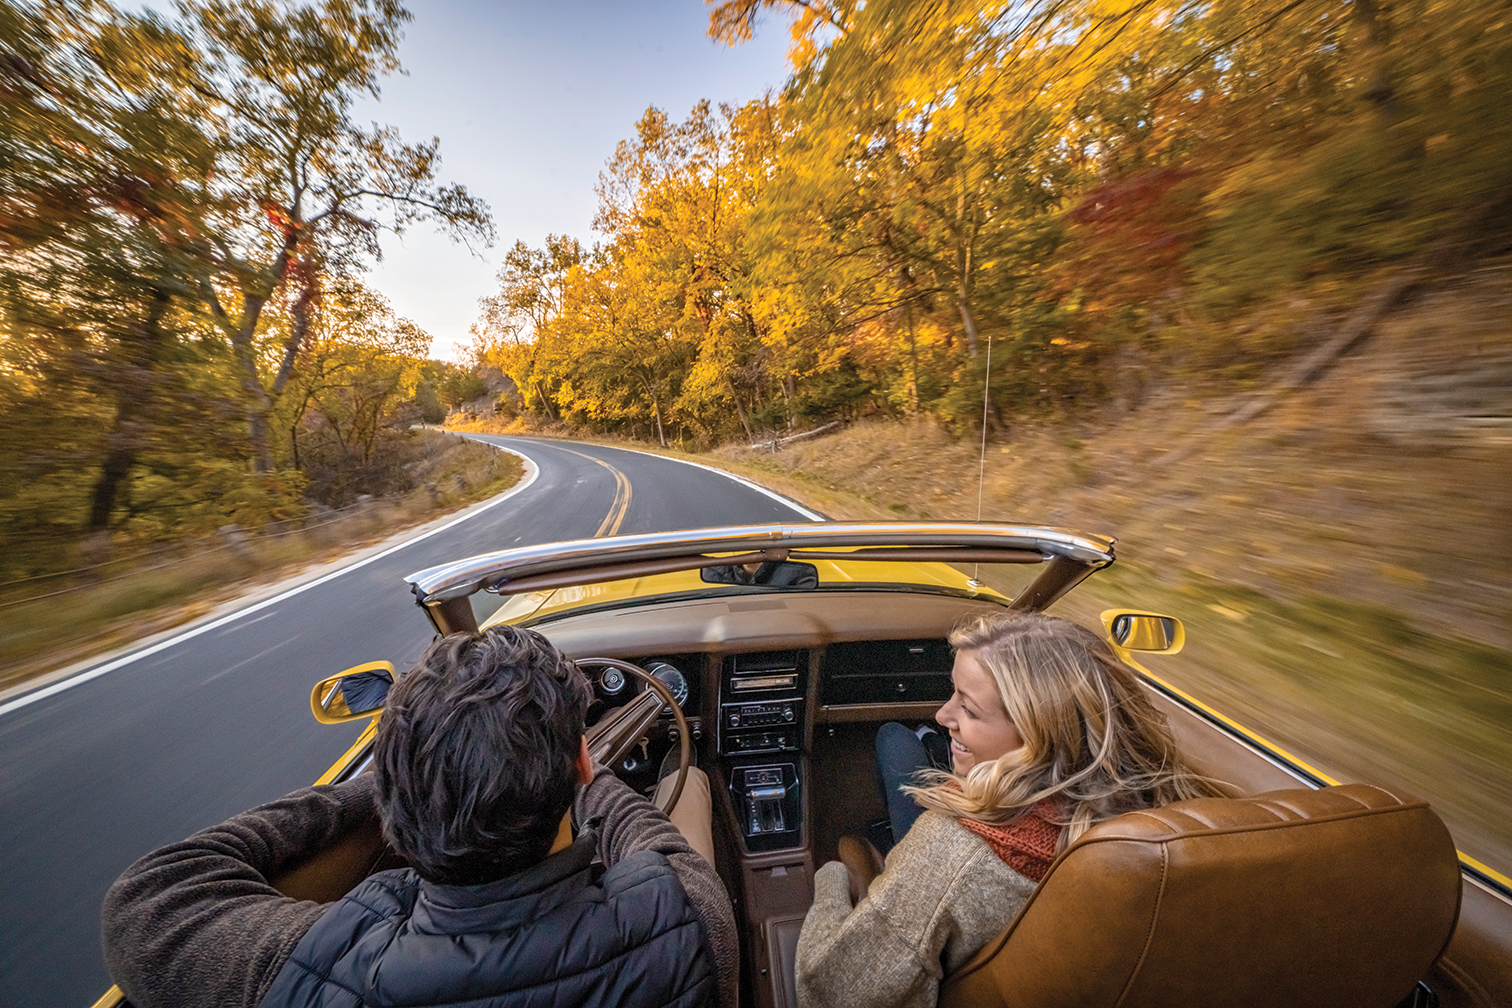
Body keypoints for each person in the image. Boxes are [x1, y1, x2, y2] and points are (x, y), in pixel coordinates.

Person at [102, 626, 738, 1008]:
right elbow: (651, 839)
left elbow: (147, 894)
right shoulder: (691, 918)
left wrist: (402, 772)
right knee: (693, 787)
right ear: (579, 760)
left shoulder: (314, 971)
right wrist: (586, 778)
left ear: (391, 788)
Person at [796, 611, 1222, 1008]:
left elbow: (829, 991)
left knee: (880, 776)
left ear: (1040, 735)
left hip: (934, 885)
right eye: (952, 694)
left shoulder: (949, 849)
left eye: (969, 707)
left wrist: (830, 880)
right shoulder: (1174, 820)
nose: (944, 712)